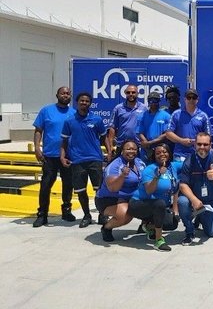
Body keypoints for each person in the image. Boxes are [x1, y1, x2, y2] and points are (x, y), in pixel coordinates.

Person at [60, 92, 108, 228]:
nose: (84, 103)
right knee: (81, 191)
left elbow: (104, 138)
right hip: (77, 160)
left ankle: (102, 214)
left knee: (99, 191)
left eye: (87, 101)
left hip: (95, 159)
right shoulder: (69, 121)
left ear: (90, 103)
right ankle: (87, 215)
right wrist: (62, 156)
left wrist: (109, 151)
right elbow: (64, 141)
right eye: (82, 101)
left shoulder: (97, 120)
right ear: (77, 102)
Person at [32, 86, 77, 227]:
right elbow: (38, 130)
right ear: (57, 95)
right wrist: (37, 148)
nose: (65, 95)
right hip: (50, 155)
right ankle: (42, 214)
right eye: (63, 93)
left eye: (68, 93)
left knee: (68, 185)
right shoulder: (46, 111)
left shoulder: (74, 113)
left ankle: (66, 210)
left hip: (68, 155)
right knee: (45, 185)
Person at [127, 143, 180, 252]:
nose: (162, 154)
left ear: (169, 153)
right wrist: (158, 176)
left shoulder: (173, 166)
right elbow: (149, 190)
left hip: (157, 207)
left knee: (172, 223)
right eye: (158, 153)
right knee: (159, 204)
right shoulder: (149, 169)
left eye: (164, 152)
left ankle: (149, 226)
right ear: (154, 155)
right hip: (138, 205)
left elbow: (190, 163)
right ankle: (159, 240)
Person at [177, 132, 213, 245]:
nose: (202, 147)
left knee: (212, 233)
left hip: (209, 201)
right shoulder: (189, 161)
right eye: (199, 144)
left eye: (205, 144)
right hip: (192, 199)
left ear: (210, 145)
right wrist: (194, 200)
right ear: (195, 145)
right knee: (182, 201)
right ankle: (189, 231)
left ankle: (200, 218)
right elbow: (183, 185)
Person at [97, 140, 145, 241]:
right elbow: (113, 188)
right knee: (125, 215)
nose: (131, 151)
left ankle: (146, 226)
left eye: (134, 149)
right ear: (122, 151)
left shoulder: (139, 162)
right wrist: (122, 176)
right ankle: (106, 228)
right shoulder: (114, 166)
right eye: (128, 149)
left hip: (131, 197)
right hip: (110, 199)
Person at [166, 88, 211, 162]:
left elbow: (208, 136)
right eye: (189, 97)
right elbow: (168, 134)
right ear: (185, 99)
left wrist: (197, 142)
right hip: (180, 155)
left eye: (194, 98)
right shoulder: (176, 114)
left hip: (198, 154)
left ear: (197, 99)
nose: (191, 100)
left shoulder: (203, 116)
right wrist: (181, 141)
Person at [106, 84, 146, 157]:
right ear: (125, 93)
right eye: (128, 92)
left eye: (133, 92)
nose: (131, 94)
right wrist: (111, 146)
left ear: (137, 93)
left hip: (138, 145)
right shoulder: (118, 108)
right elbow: (112, 127)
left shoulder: (144, 108)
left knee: (138, 167)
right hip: (121, 145)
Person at [137, 90, 171, 162]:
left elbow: (167, 134)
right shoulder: (142, 116)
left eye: (155, 100)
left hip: (161, 149)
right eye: (151, 101)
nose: (153, 103)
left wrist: (150, 143)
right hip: (146, 150)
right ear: (148, 102)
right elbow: (140, 132)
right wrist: (146, 144)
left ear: (159, 101)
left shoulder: (166, 116)